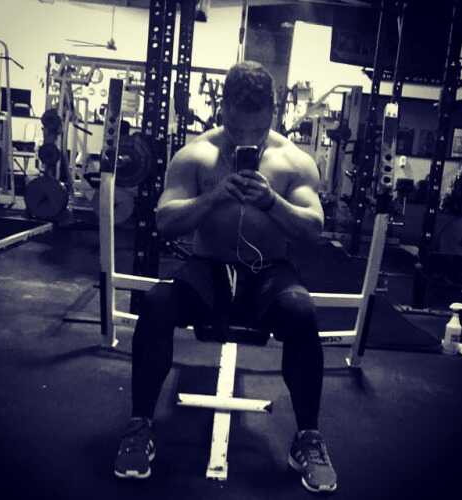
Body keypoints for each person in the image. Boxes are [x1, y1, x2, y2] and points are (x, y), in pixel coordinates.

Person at [114, 60, 338, 493]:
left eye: (257, 129)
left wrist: (272, 202)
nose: (247, 138)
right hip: (208, 269)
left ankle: (308, 438)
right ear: (223, 111)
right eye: (237, 129)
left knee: (301, 312)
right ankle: (139, 426)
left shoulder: (294, 161)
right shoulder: (196, 155)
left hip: (268, 273)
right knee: (157, 304)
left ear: (273, 113)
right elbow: (165, 220)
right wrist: (214, 197)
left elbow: (313, 228)